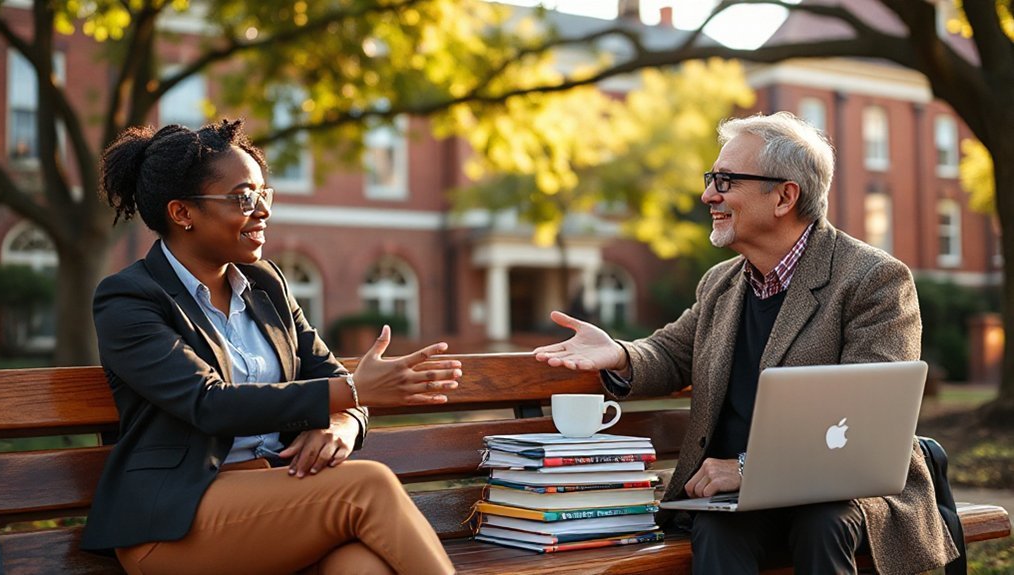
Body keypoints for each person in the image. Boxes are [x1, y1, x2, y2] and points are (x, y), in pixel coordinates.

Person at [533, 112, 958, 574]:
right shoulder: (721, 283)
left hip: (843, 491)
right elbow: (673, 351)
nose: (708, 194)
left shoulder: (873, 280)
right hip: (732, 497)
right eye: (712, 178)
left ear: (784, 196)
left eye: (726, 180)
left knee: (823, 522)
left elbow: (872, 421)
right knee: (715, 528)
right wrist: (618, 353)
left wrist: (747, 467)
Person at [81, 119, 459, 575]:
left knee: (359, 566)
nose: (262, 210)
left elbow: (332, 379)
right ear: (182, 213)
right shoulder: (129, 299)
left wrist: (342, 423)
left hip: (281, 497)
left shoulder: (267, 285)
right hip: (173, 522)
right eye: (243, 197)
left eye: (264, 194)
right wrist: (354, 394)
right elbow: (209, 403)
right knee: (368, 485)